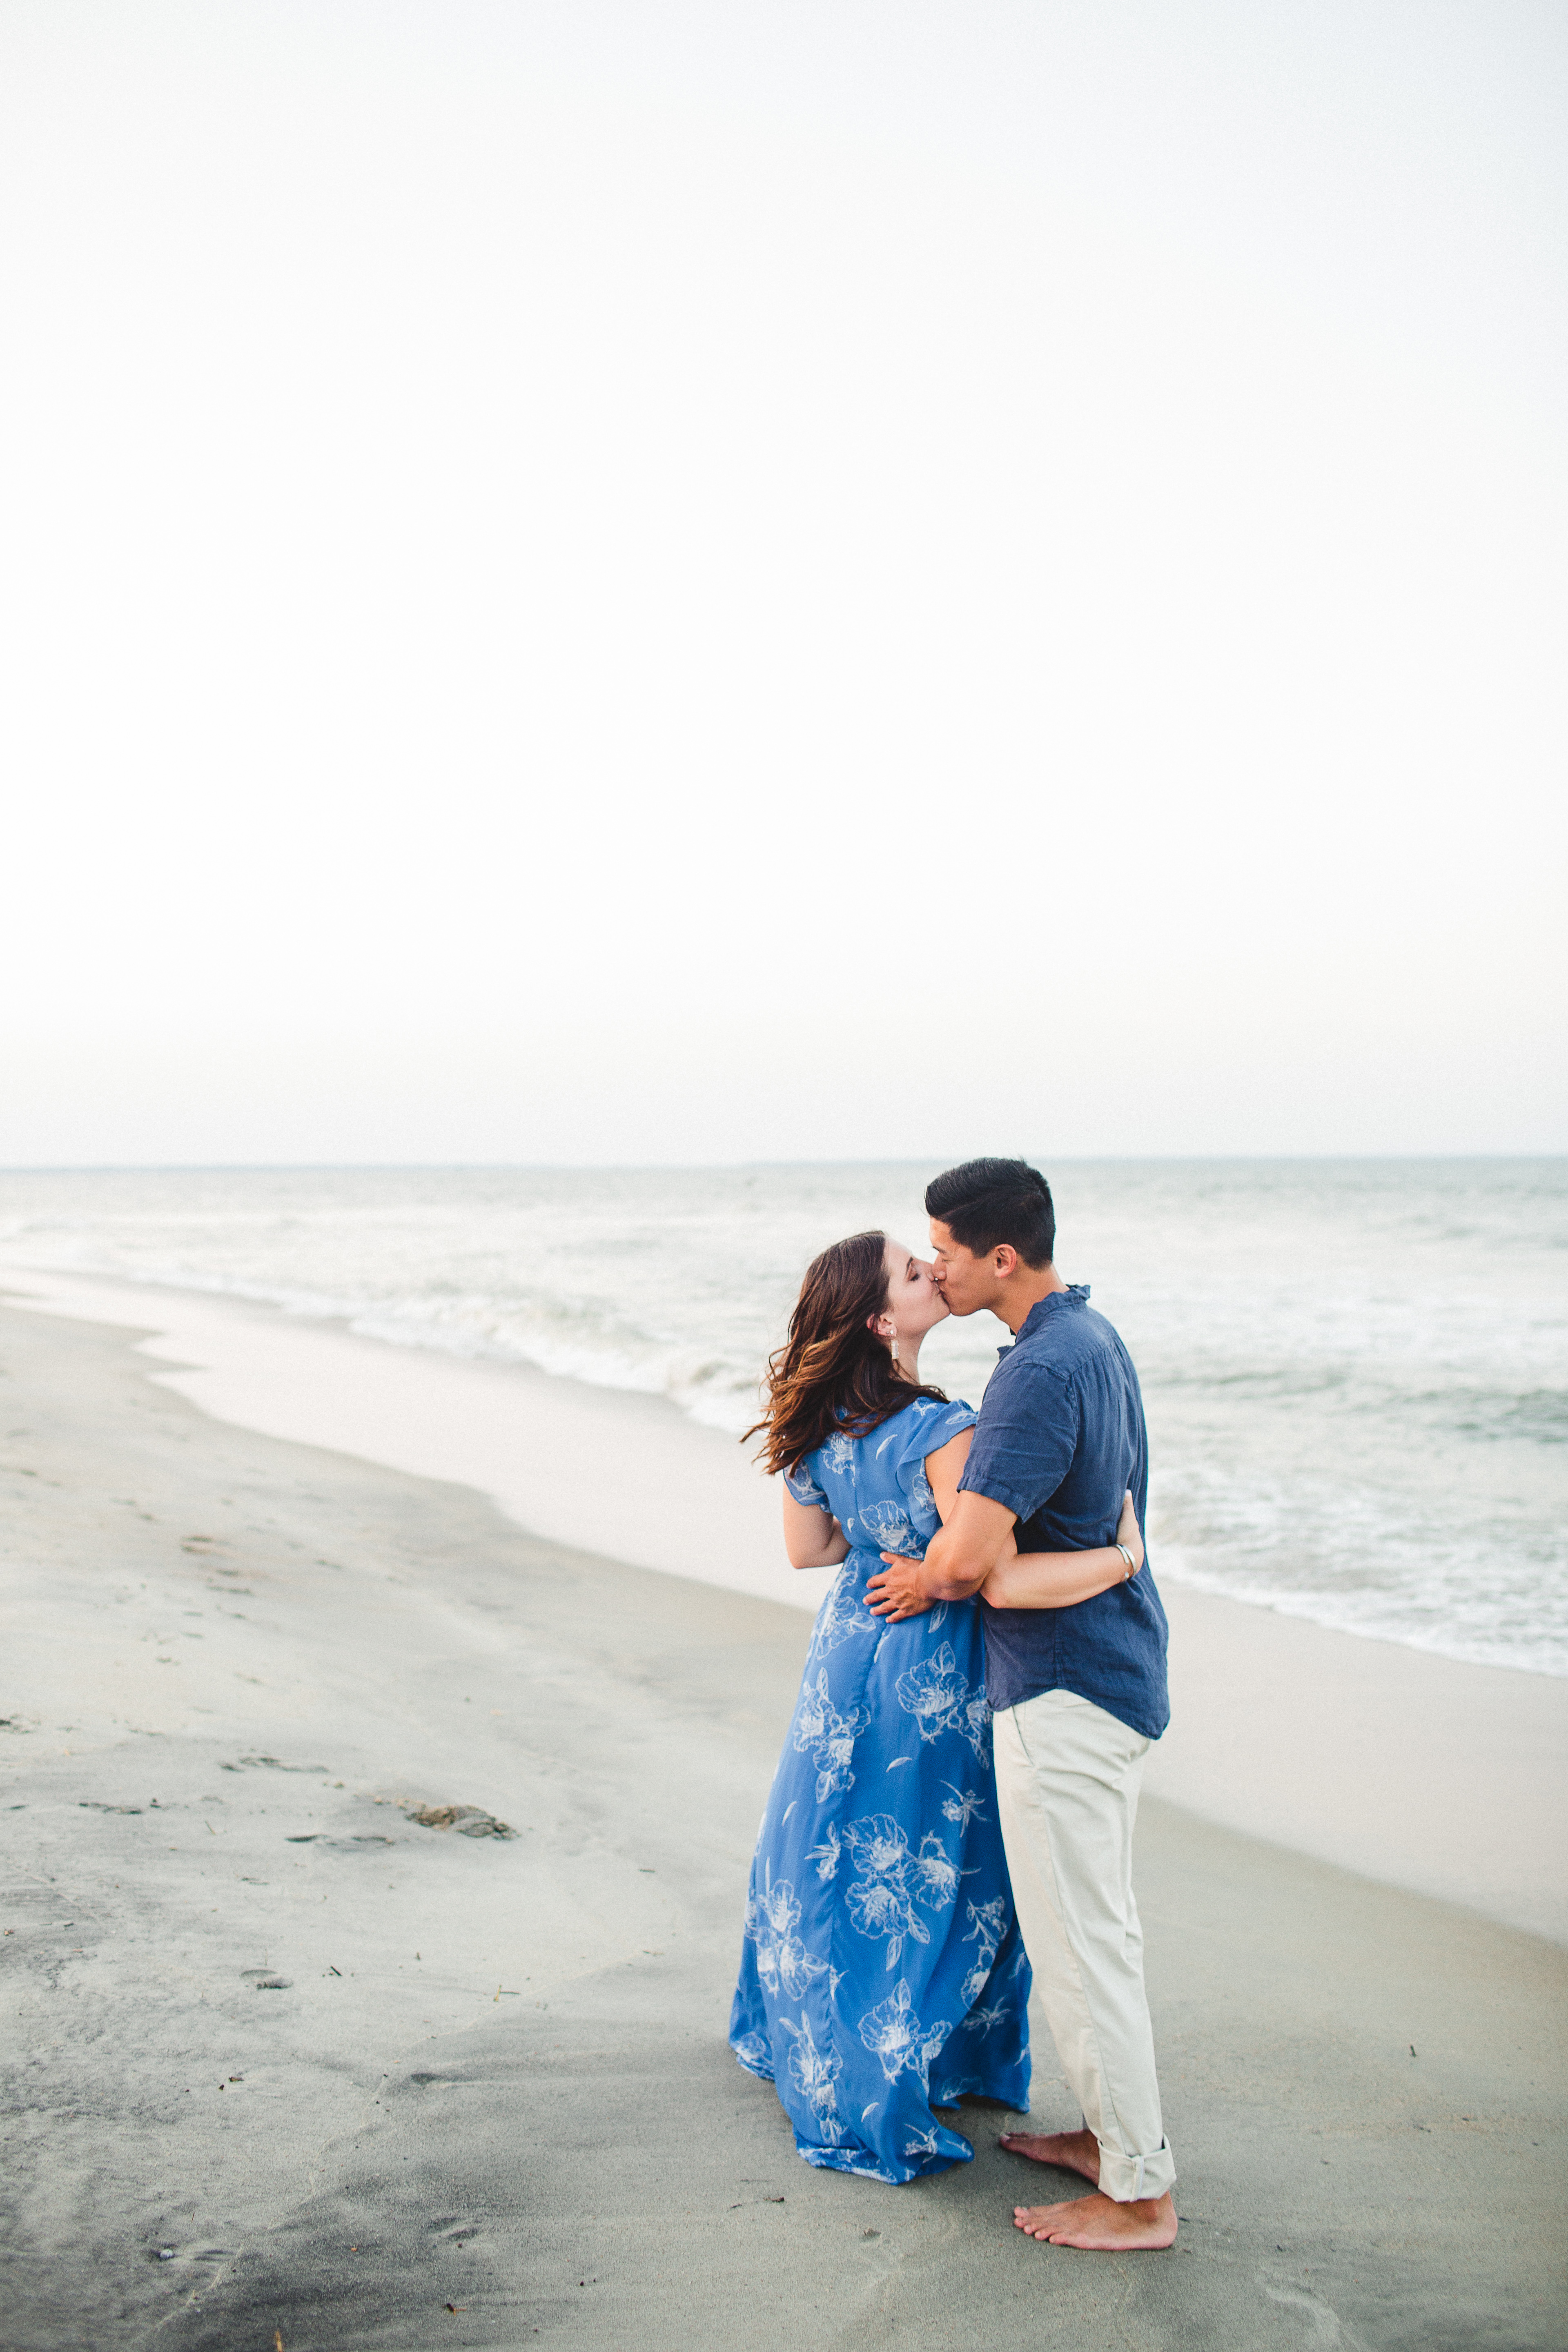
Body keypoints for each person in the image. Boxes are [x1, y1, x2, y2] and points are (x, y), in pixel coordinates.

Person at [729, 1227, 1145, 2186]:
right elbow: (980, 1571)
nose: (933, 1274)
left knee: (832, 1840)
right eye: (913, 1274)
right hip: (930, 1672)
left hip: (844, 1656)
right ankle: (925, 2058)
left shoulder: (821, 1420)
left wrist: (891, 1554)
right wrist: (1123, 1558)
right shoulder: (943, 1430)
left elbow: (811, 1553)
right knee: (932, 1861)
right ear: (883, 1319)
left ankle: (813, 2034)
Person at [866, 1159, 1177, 2252]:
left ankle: (1139, 2196)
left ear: (1002, 1258)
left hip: (1063, 1686)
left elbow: (969, 1561)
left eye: (944, 1248)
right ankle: (1110, 2138)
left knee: (1087, 1941)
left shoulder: (1039, 1373)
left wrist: (926, 1567)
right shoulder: (1091, 1339)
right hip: (1111, 1669)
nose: (935, 1264)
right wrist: (1110, 1562)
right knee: (1098, 1931)